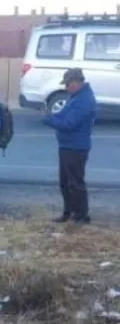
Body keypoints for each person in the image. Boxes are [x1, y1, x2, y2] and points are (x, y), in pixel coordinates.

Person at [43, 68, 96, 224]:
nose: (66, 88)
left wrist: (48, 120)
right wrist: (51, 116)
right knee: (65, 182)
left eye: (68, 84)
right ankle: (69, 212)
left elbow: (69, 124)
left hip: (76, 147)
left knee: (75, 182)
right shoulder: (75, 97)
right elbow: (63, 115)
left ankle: (81, 215)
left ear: (76, 82)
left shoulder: (84, 101)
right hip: (67, 145)